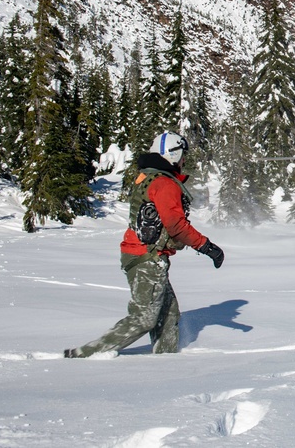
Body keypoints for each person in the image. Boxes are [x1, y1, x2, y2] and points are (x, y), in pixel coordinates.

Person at [64, 132, 225, 357]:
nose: (184, 161)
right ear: (173, 154)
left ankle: (165, 361)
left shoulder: (150, 177)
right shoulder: (164, 183)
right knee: (145, 317)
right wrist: (206, 246)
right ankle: (85, 354)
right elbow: (175, 225)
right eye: (182, 156)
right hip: (146, 258)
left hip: (147, 256)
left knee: (168, 315)